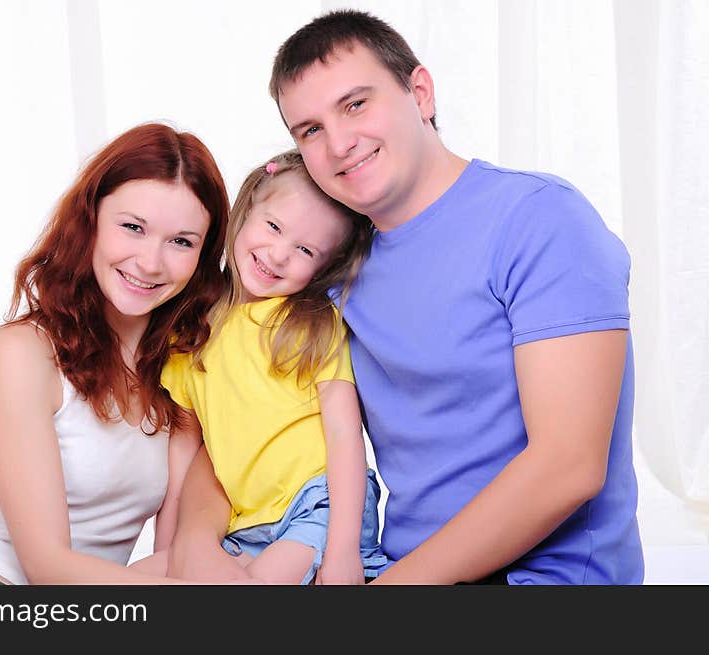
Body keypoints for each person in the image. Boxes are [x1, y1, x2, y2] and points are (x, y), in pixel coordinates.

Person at [172, 10, 644, 585]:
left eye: (355, 104)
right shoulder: (325, 270)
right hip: (394, 570)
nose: (340, 143)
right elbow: (234, 417)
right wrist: (194, 543)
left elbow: (568, 467)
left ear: (419, 92)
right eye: (310, 130)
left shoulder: (541, 221)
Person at [0, 123, 230, 585]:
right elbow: (47, 566)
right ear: (91, 221)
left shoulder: (184, 369)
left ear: (204, 255)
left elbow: (179, 549)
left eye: (181, 241)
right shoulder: (25, 353)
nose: (150, 262)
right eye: (132, 228)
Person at [133, 151, 384, 585]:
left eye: (305, 250)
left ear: (325, 267)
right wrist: (170, 552)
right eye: (273, 227)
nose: (279, 254)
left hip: (319, 504)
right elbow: (185, 455)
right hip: (245, 522)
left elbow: (346, 435)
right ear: (246, 208)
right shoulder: (191, 335)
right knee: (131, 583)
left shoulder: (308, 324)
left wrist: (343, 551)